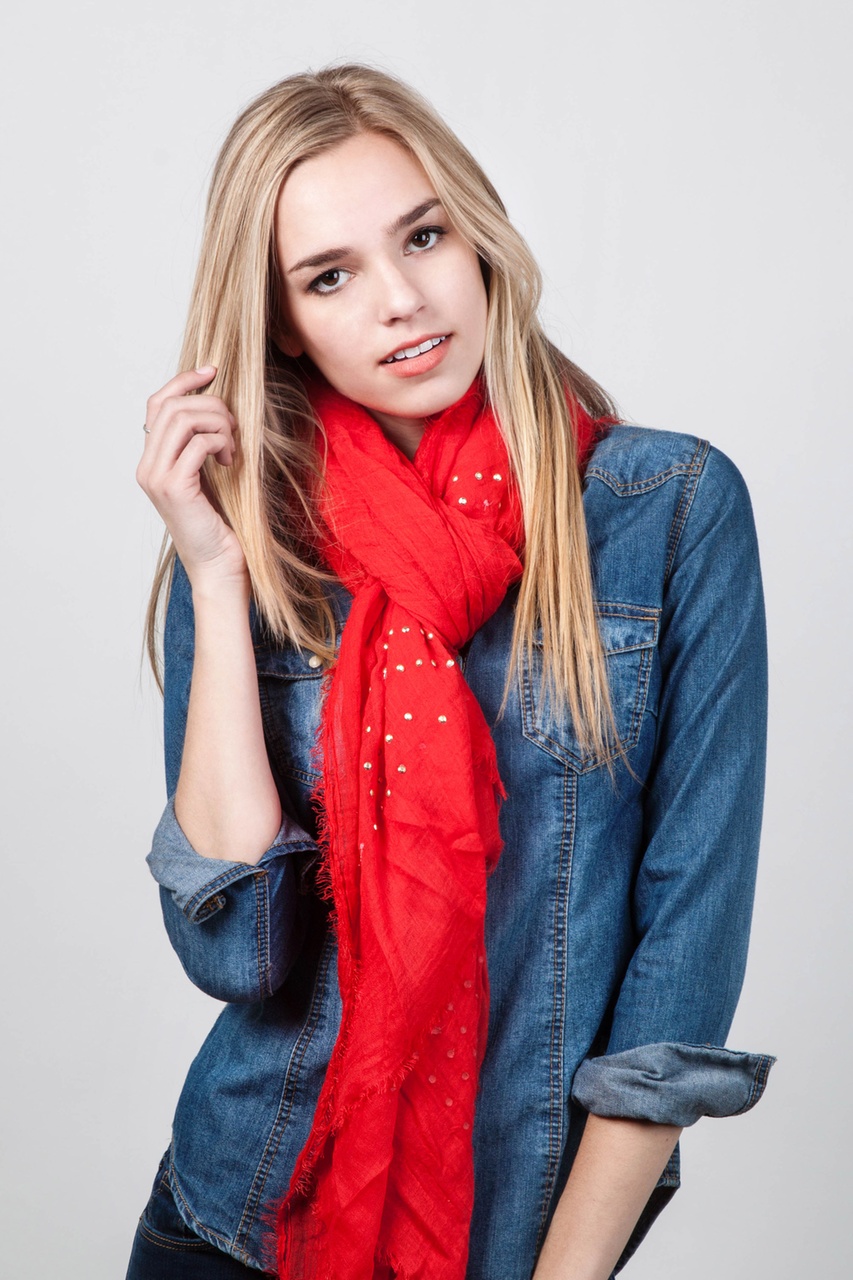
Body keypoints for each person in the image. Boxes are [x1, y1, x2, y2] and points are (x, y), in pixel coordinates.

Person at [130, 63, 776, 1280]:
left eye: (422, 235)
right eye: (330, 275)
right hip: (239, 1226)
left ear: (476, 235)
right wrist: (214, 574)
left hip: (519, 1239)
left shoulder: (666, 511)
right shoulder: (251, 537)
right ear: (282, 320)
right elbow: (238, 951)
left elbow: (682, 965)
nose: (401, 299)